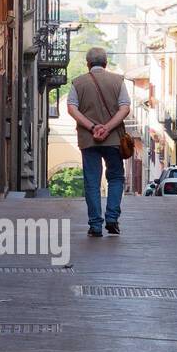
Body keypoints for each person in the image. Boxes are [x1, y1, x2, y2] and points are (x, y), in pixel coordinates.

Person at [66, 47, 131, 237]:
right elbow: (125, 108)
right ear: (105, 63)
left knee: (92, 182)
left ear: (88, 64)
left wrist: (93, 127)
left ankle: (95, 225)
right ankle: (112, 219)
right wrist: (108, 128)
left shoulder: (77, 83)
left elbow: (71, 108)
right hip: (113, 139)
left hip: (89, 139)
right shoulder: (118, 81)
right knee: (116, 177)